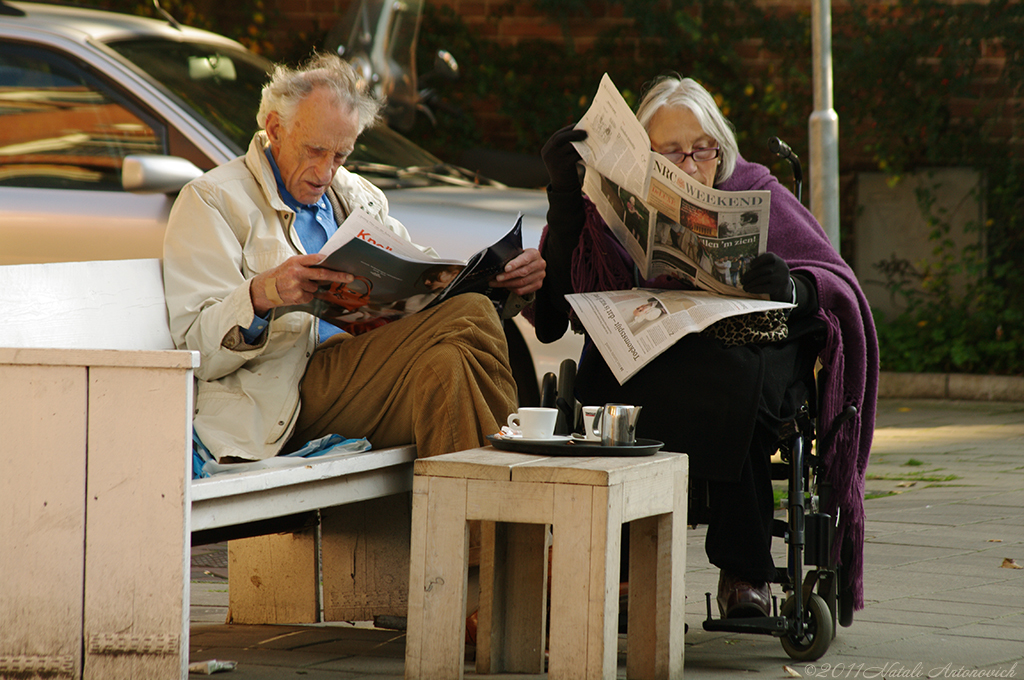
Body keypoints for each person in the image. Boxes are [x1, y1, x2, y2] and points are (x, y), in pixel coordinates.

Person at [530, 74, 877, 619]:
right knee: (611, 383)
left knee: (734, 382)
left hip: (747, 357)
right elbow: (553, 313)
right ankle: (620, 571)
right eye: (670, 153)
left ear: (721, 147)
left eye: (702, 150)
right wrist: (564, 195)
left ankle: (747, 570)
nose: (690, 167)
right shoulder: (609, 207)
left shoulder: (758, 190)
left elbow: (834, 281)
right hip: (646, 354)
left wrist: (791, 286)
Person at [163, 53, 546, 464]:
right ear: (275, 128)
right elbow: (197, 345)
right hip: (280, 398)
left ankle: (465, 525)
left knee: (449, 366)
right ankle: (519, 478)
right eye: (315, 150)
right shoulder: (214, 199)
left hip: (365, 377)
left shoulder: (359, 196)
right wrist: (264, 294)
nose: (326, 171)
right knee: (470, 310)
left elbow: (427, 280)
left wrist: (501, 281)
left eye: (341, 155)